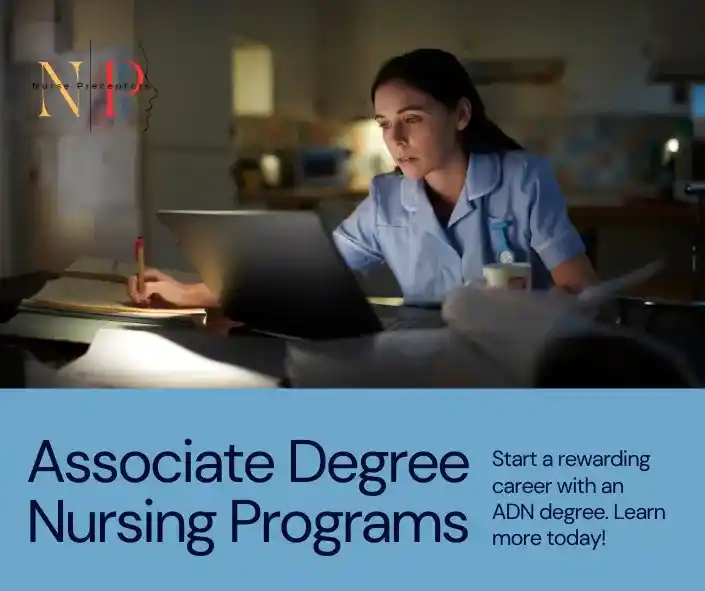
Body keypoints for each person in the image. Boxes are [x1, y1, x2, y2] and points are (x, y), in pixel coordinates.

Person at [127, 48, 596, 308]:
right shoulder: (386, 202)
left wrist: (537, 318)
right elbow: (306, 278)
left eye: (411, 118)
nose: (395, 138)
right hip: (423, 369)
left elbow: (580, 288)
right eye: (384, 123)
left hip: (515, 370)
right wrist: (192, 293)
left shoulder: (523, 179)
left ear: (461, 114)